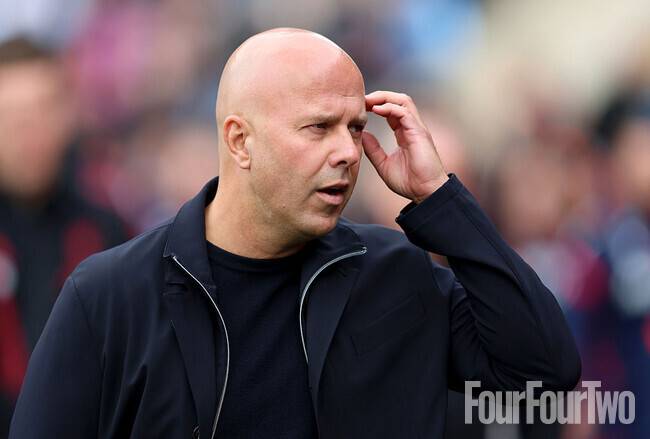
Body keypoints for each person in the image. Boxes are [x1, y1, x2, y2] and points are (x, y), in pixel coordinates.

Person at [10, 28, 580, 439]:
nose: (346, 151)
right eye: (318, 127)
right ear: (240, 141)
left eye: (355, 127)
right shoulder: (111, 295)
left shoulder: (397, 273)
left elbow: (544, 374)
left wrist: (439, 200)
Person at [0, 37, 127, 436]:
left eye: (43, 109)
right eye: (12, 115)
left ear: (68, 113)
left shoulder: (107, 234)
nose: (29, 131)